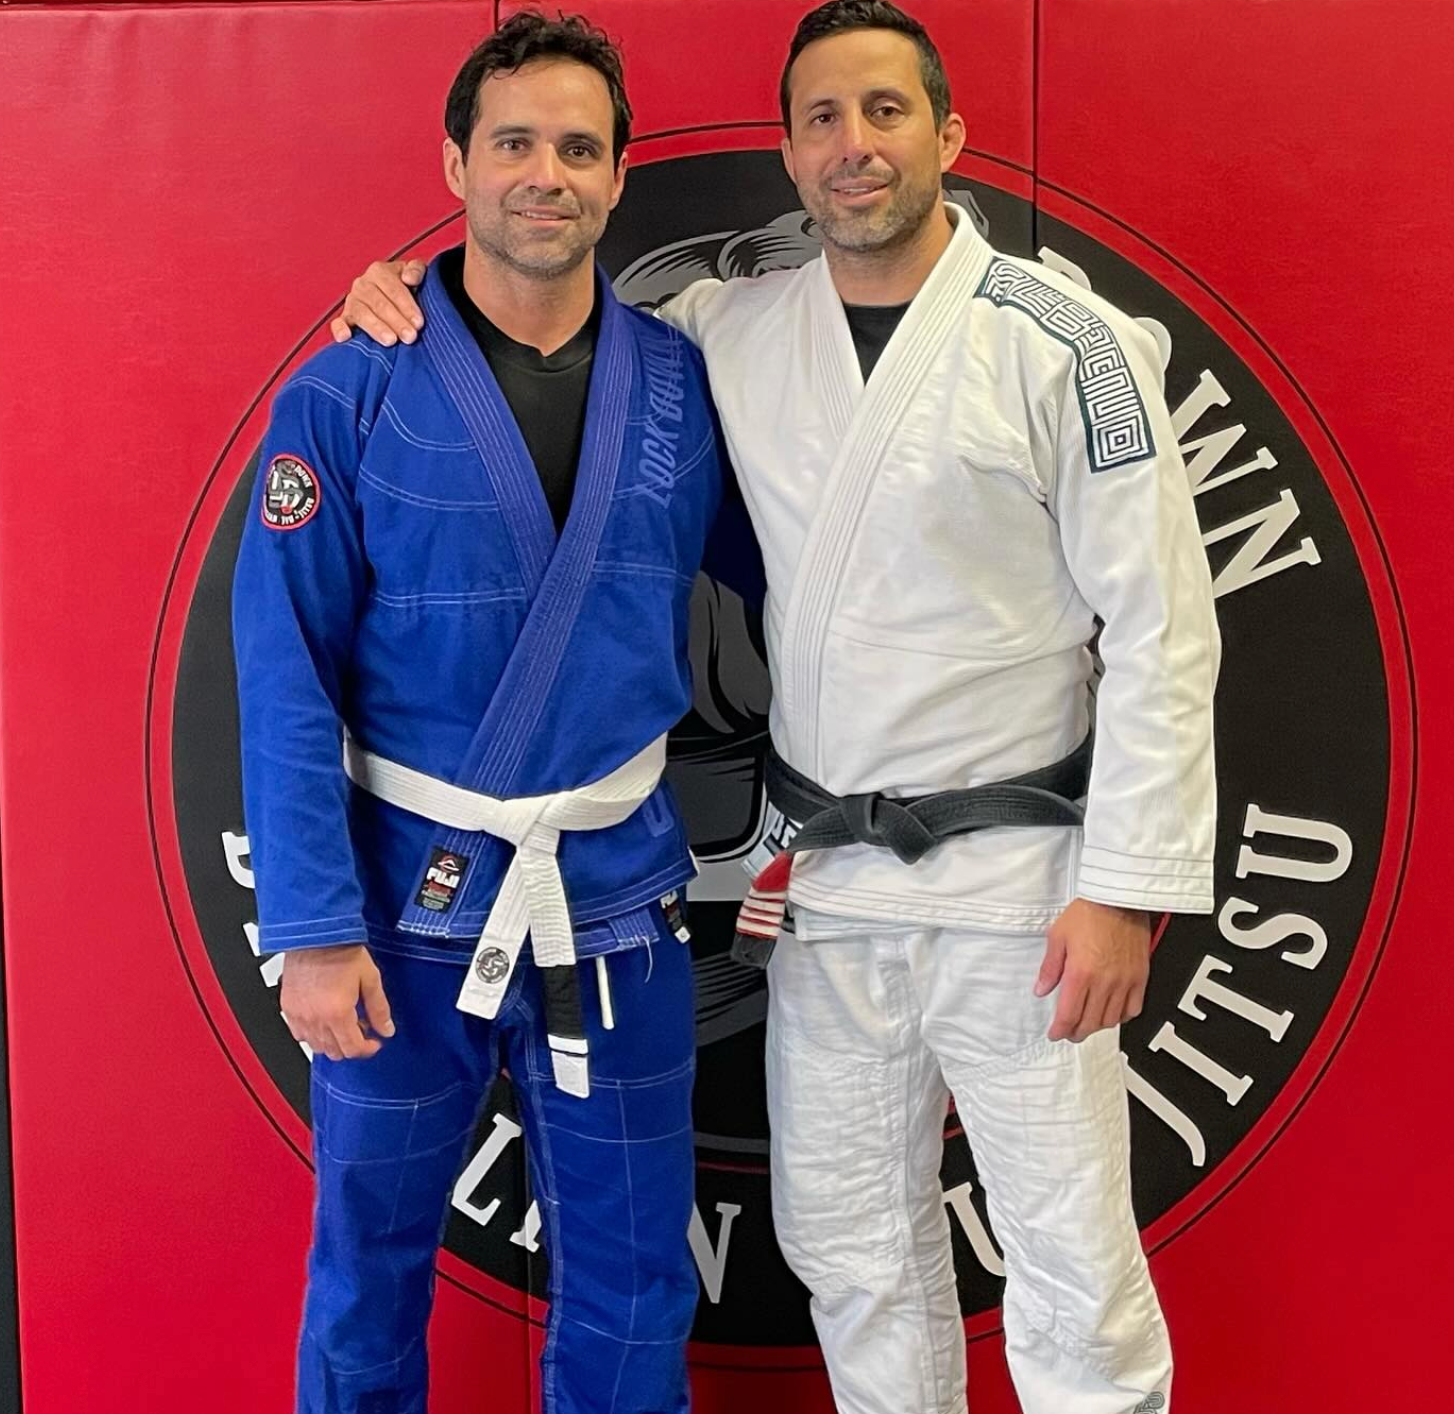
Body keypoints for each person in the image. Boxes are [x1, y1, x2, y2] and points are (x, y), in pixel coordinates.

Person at [337, 6, 1219, 1411]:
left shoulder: (1074, 346)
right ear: (790, 154)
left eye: (883, 112)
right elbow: (548, 329)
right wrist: (398, 305)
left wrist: (1125, 889)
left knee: (1066, 1252)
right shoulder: (731, 330)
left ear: (949, 134)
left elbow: (1166, 626)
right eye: (821, 118)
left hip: (1020, 879)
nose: (853, 146)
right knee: (848, 1240)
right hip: (826, 881)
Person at [235, 14, 756, 1414]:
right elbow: (281, 668)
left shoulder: (685, 383)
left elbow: (810, 598)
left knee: (638, 1282)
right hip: (401, 915)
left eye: (578, 147)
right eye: (514, 142)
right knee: (366, 1275)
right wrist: (311, 926)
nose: (546, 173)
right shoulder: (350, 388)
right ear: (454, 162)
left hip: (618, 906)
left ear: (620, 174)